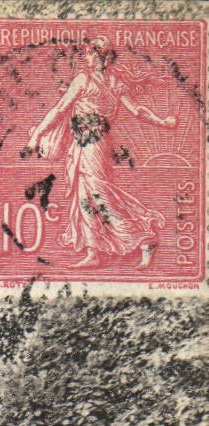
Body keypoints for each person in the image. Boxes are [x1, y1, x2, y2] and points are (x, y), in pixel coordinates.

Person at [25, 36, 178, 269]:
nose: (86, 58)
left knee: (98, 194)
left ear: (99, 56)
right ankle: (93, 251)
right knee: (85, 195)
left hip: (93, 146)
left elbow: (60, 109)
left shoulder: (84, 79)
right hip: (87, 144)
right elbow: (137, 110)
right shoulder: (113, 82)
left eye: (89, 53)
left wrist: (36, 135)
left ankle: (145, 238)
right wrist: (163, 122)